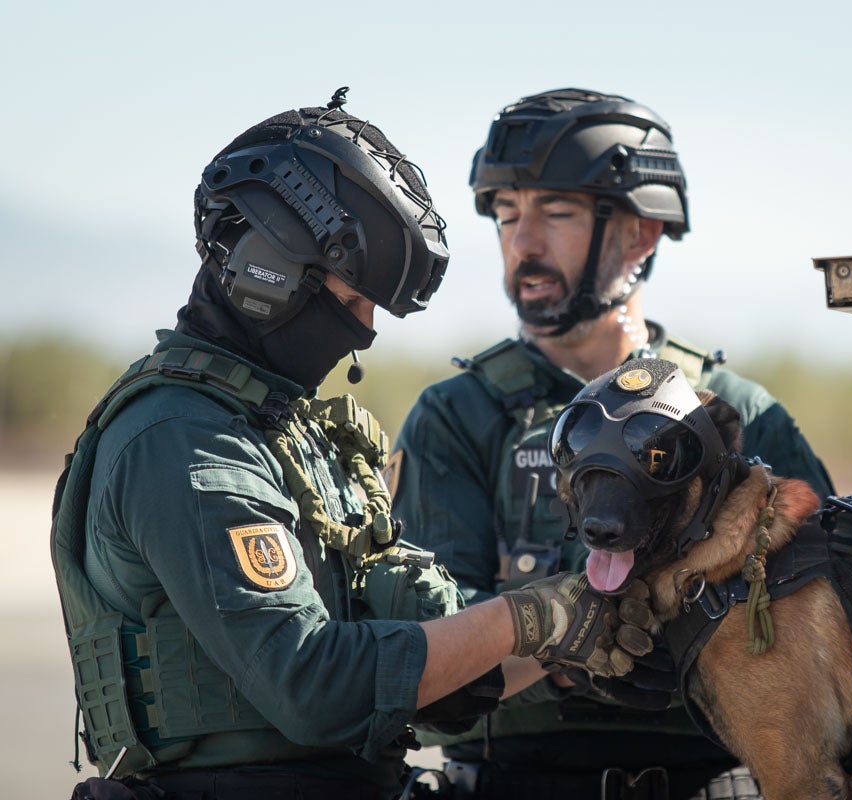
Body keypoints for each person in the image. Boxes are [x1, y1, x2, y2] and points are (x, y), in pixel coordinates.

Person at [50, 91, 654, 800]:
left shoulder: (287, 432)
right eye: (354, 295)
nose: (364, 328)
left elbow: (420, 670)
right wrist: (530, 616)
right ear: (267, 266)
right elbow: (313, 685)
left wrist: (568, 634)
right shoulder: (184, 443)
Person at [389, 88, 835, 800]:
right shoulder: (458, 418)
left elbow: (821, 654)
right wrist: (563, 658)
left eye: (555, 214)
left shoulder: (742, 416)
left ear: (639, 236)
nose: (523, 243)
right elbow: (421, 675)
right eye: (507, 215)